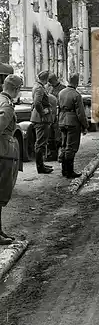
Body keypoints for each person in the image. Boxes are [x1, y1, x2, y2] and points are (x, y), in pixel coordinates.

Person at [0, 74, 23, 244]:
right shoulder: (7, 106)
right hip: (4, 153)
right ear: (15, 89)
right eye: (19, 89)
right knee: (1, 194)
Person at [58, 73, 89, 179]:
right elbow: (80, 113)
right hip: (72, 122)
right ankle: (69, 171)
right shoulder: (76, 95)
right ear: (77, 82)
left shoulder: (61, 92)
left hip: (62, 120)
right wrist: (85, 125)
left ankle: (64, 170)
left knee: (64, 145)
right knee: (71, 147)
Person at [30, 70, 53, 174]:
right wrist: (43, 113)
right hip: (41, 119)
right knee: (40, 143)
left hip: (40, 118)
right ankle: (40, 167)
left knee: (41, 142)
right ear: (46, 79)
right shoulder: (39, 88)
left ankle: (42, 164)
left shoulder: (38, 86)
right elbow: (37, 103)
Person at [46, 74, 65, 161]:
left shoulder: (63, 88)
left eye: (51, 80)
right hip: (50, 114)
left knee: (59, 136)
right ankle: (52, 154)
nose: (50, 82)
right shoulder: (48, 88)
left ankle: (62, 153)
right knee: (50, 135)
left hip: (60, 114)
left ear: (55, 79)